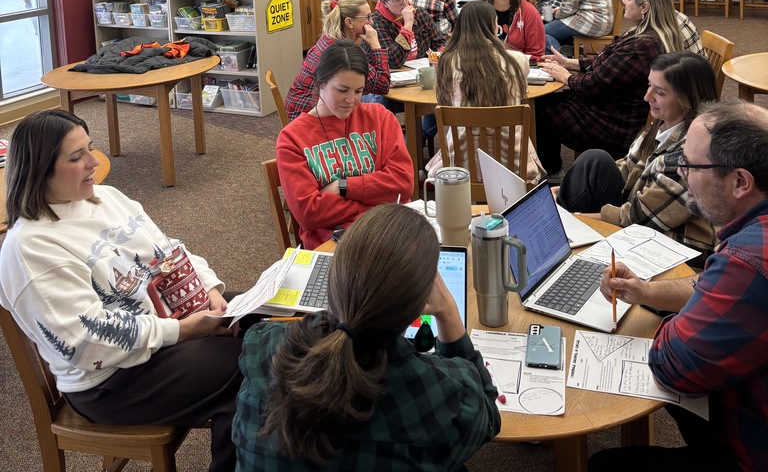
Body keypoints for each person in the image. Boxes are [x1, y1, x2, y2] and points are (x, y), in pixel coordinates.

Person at [0, 110, 243, 472]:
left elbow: (167, 249)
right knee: (251, 366)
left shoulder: (106, 197)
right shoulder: (31, 247)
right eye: (76, 157)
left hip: (166, 328)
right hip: (109, 380)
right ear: (40, 170)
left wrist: (208, 288)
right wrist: (182, 331)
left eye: (91, 148)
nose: (92, 162)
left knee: (274, 321)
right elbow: (85, 341)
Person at [233, 203, 500, 472]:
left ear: (334, 276)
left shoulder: (261, 346)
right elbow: (488, 415)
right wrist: (449, 314)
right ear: (418, 307)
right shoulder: (440, 394)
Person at [590, 101, 768, 472]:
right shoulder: (753, 232)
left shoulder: (748, 259)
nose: (681, 174)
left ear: (740, 182)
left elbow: (671, 363)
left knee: (606, 464)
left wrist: (670, 323)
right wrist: (646, 292)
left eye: (691, 165)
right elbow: (709, 283)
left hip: (754, 446)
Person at [557, 52, 719, 262]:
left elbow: (639, 219)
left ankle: (560, 236)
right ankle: (561, 233)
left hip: (673, 243)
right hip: (642, 215)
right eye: (649, 85)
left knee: (584, 172)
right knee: (594, 161)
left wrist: (575, 219)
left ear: (686, 99)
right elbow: (626, 166)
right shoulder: (661, 127)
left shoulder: (690, 154)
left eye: (659, 92)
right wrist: (568, 185)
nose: (647, 97)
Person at [537, 0, 683, 177]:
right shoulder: (651, 35)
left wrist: (566, 77)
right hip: (619, 111)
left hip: (613, 125)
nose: (623, 1)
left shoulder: (639, 46)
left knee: (540, 107)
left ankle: (553, 171)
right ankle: (552, 168)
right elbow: (609, 65)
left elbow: (594, 85)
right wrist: (569, 63)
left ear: (645, 7)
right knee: (550, 100)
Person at [276, 40, 413, 248]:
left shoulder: (380, 117)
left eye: (359, 91)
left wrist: (343, 186)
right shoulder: (292, 138)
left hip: (388, 232)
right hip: (334, 246)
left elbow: (403, 185)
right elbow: (308, 213)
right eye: (342, 90)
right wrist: (376, 198)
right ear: (321, 83)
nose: (351, 100)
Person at [429, 0, 544, 187]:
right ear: (494, 25)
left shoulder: (447, 62)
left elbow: (445, 102)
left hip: (461, 162)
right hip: (512, 161)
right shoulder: (517, 61)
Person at [285, 0, 390, 120]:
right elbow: (383, 85)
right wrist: (375, 45)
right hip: (308, 115)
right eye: (367, 17)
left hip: (300, 106)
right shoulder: (342, 51)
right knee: (375, 112)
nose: (371, 22)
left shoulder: (330, 37)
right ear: (349, 22)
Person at [372, 0, 444, 68]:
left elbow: (439, 43)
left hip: (421, 68)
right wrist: (407, 26)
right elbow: (393, 61)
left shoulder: (420, 13)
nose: (404, 2)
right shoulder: (376, 22)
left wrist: (440, 55)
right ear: (384, 3)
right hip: (395, 74)